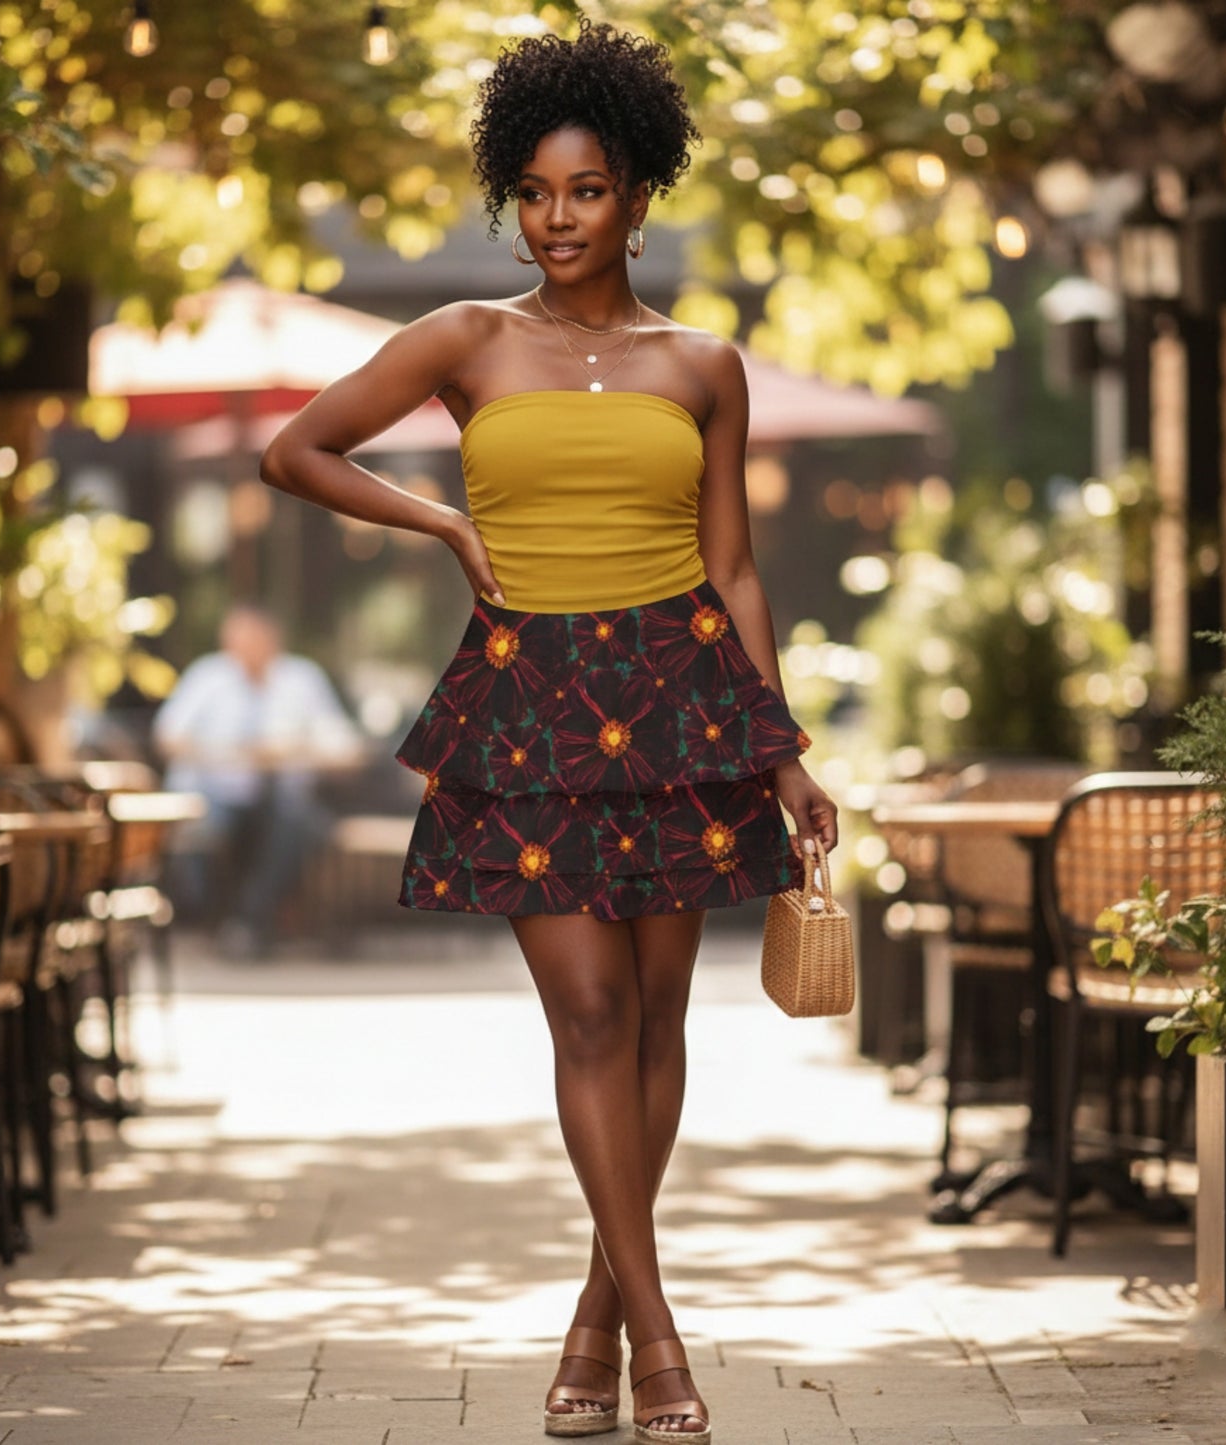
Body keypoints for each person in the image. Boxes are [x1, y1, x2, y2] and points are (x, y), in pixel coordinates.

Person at [260, 20, 838, 1442]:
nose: (557, 217)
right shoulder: (466, 339)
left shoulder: (705, 363)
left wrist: (783, 746)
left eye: (584, 190)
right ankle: (655, 1339)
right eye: (531, 192)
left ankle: (591, 1315)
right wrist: (442, 521)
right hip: (525, 708)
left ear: (638, 193)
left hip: (684, 699)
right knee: (586, 1012)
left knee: (653, 1018)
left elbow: (737, 568)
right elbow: (298, 450)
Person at [152, 604, 363, 957]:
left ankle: (248, 922)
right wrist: (230, 754)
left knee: (302, 825)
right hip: (215, 792)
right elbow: (168, 738)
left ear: (272, 639)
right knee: (202, 831)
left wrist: (294, 751)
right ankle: (210, 919)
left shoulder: (302, 679)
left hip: (281, 798)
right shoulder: (208, 677)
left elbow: (344, 748)